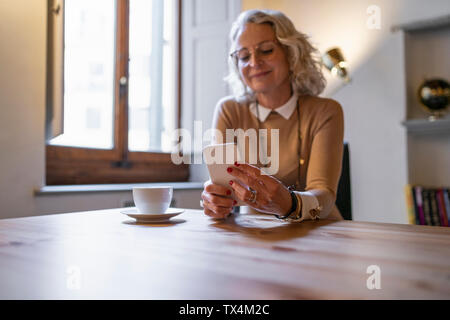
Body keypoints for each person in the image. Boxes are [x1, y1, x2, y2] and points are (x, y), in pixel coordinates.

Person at [201, 9, 344, 222]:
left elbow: (324, 194)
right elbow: (222, 188)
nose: (254, 62)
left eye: (266, 50)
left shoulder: (325, 111)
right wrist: (215, 200)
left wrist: (290, 203)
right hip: (254, 233)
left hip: (320, 232)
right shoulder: (229, 110)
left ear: (291, 53)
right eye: (244, 56)